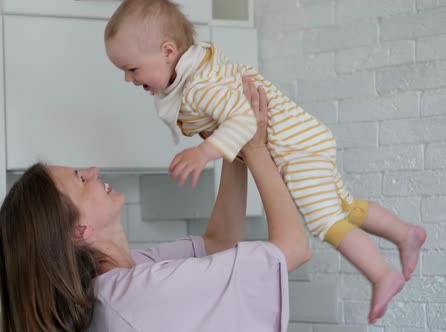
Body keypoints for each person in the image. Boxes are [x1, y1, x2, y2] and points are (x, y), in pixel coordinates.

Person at [103, 0, 427, 324]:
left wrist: (204, 152)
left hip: (294, 146)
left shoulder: (199, 88)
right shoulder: (196, 70)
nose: (128, 79)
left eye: (132, 69)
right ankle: (404, 233)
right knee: (342, 205)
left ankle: (382, 274)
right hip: (306, 138)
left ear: (168, 51)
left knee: (323, 220)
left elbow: (245, 121)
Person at [0, 77, 311, 332]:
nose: (92, 171)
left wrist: (231, 144)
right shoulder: (140, 292)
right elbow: (294, 248)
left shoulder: (120, 277)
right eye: (80, 179)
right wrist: (256, 150)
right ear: (80, 230)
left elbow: (219, 242)